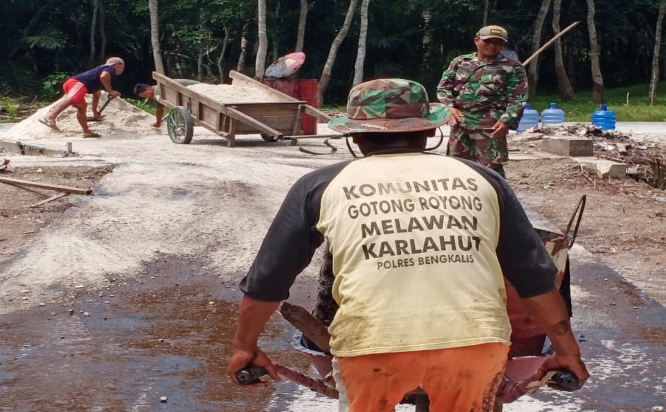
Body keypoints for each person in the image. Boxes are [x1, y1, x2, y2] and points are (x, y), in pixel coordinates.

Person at [226, 79, 588, 412]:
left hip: (371, 346)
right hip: (474, 344)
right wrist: (567, 351)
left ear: (355, 136)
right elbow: (534, 278)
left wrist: (245, 347)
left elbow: (268, 280)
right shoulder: (482, 178)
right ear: (429, 131)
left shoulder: (319, 185)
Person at [436, 25, 528, 178]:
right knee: (457, 165)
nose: (492, 46)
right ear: (476, 40)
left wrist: (507, 121)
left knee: (491, 168)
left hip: (491, 125)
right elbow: (444, 87)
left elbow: (518, 97)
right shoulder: (460, 62)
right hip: (460, 123)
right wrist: (449, 107)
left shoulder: (512, 66)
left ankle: (496, 193)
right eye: (488, 41)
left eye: (498, 42)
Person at [39, 57, 125, 138]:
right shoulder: (110, 68)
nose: (123, 69)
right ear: (117, 64)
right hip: (77, 83)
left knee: (82, 107)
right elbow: (104, 76)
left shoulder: (96, 80)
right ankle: (51, 116)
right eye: (123, 67)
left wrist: (95, 111)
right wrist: (111, 91)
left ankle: (86, 132)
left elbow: (96, 95)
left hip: (77, 84)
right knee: (72, 99)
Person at [134, 79, 200, 128]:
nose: (147, 97)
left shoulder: (158, 92)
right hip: (194, 89)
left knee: (181, 111)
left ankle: (184, 128)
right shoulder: (158, 88)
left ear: (148, 89)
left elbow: (159, 110)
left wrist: (158, 123)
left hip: (197, 88)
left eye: (145, 95)